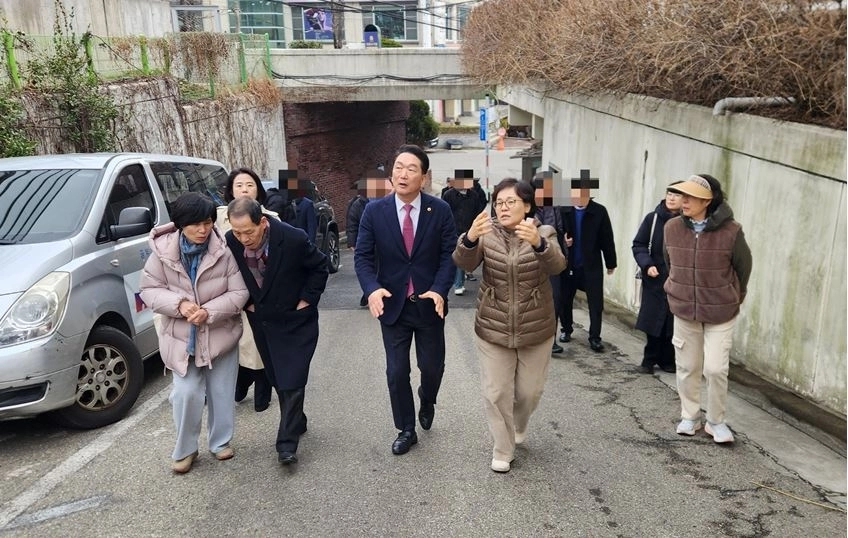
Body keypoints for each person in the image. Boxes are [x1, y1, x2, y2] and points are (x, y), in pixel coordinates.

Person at [453, 178, 566, 473]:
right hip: (493, 325)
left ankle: (519, 422)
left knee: (529, 393)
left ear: (526, 206)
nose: (502, 208)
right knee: (496, 393)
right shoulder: (486, 233)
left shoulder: (544, 232)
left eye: (510, 202)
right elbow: (464, 264)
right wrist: (469, 239)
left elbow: (557, 265)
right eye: (498, 203)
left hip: (536, 327)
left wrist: (538, 244)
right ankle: (503, 448)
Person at [354, 144, 457, 456]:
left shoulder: (440, 210)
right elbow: (362, 257)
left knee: (432, 367)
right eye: (398, 167)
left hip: (429, 303)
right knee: (396, 371)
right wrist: (372, 289)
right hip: (393, 304)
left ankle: (427, 397)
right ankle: (406, 428)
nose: (403, 174)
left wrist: (440, 289)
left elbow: (448, 256)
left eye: (411, 169)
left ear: (423, 178)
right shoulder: (375, 211)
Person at [139, 192, 248, 474]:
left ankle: (220, 442)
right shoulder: (161, 253)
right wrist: (180, 305)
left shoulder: (223, 251)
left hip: (220, 334)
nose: (203, 230)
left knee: (222, 391)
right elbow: (149, 290)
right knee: (185, 393)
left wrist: (208, 312)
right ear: (180, 224)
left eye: (208, 222)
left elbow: (239, 292)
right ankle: (186, 449)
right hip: (181, 338)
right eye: (195, 224)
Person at [225, 198, 329, 465]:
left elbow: (320, 266)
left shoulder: (292, 238)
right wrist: (246, 304)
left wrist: (306, 299)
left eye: (248, 232)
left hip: (296, 319)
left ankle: (286, 444)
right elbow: (230, 276)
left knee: (292, 377)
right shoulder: (231, 242)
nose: (243, 238)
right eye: (237, 232)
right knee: (276, 377)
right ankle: (297, 420)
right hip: (263, 321)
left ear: (262, 222)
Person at [664, 174, 752, 444]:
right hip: (684, 309)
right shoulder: (672, 227)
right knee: (687, 366)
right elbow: (670, 263)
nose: (684, 200)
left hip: (721, 312)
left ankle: (716, 421)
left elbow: (743, 267)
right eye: (683, 195)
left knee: (715, 368)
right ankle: (690, 416)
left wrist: (734, 296)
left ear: (708, 200)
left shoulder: (732, 231)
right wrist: (678, 290)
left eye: (691, 196)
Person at [216, 167, 277, 412]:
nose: (244, 189)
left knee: (259, 343)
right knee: (237, 343)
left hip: (260, 292)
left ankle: (263, 387)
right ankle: (241, 381)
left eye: (250, 185)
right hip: (230, 290)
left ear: (258, 190)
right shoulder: (217, 218)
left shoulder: (271, 218)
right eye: (239, 185)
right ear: (231, 190)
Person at [631, 182, 683, 374]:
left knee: (672, 322)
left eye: (676, 195)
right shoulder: (652, 219)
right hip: (655, 278)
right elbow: (639, 244)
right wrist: (647, 264)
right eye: (669, 193)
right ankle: (649, 359)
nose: (671, 198)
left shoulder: (688, 223)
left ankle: (667, 360)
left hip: (678, 281)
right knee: (653, 320)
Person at [559, 187, 617, 352]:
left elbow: (607, 238)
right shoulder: (564, 210)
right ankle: (566, 329)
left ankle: (595, 337)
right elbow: (555, 232)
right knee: (565, 300)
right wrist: (563, 241)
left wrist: (611, 263)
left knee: (596, 303)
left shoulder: (599, 211)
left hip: (591, 265)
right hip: (569, 263)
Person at [533, 172, 568, 354]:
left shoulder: (555, 207)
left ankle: (550, 340)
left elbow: (560, 232)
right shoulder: (526, 208)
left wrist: (564, 250)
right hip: (532, 263)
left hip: (552, 260)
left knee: (555, 300)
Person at [442, 177, 483, 295]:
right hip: (452, 230)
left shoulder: (474, 195)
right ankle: (457, 283)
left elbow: (477, 211)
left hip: (468, 231)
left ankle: (459, 282)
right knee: (455, 256)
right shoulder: (449, 195)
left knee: (463, 256)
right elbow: (444, 213)